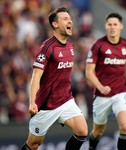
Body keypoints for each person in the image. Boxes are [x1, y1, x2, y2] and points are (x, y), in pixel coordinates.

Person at [21, 7, 88, 150]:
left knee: (82, 131)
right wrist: (32, 101)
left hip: (65, 100)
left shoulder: (70, 46)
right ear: (55, 24)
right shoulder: (47, 47)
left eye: (70, 19)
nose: (70, 21)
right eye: (65, 19)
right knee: (33, 144)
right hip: (46, 105)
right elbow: (36, 75)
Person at [85, 12, 126, 150]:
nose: (112, 27)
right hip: (101, 95)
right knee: (98, 132)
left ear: (121, 26)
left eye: (115, 24)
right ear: (105, 26)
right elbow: (89, 72)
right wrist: (101, 87)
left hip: (120, 91)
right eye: (109, 24)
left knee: (124, 127)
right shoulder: (98, 46)